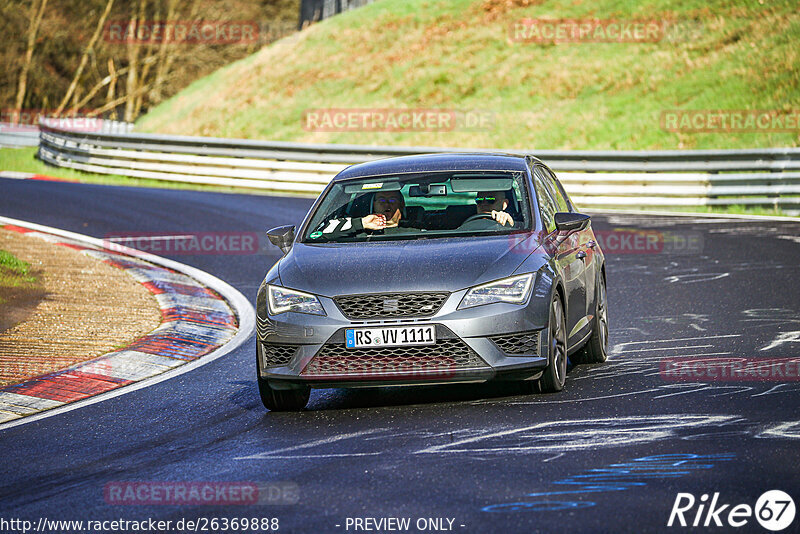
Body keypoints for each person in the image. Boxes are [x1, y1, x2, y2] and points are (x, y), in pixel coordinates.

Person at [317, 190, 407, 238]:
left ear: (402, 204)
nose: (387, 204)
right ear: (374, 204)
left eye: (392, 200)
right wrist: (361, 223)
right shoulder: (359, 232)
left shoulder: (415, 231)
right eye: (381, 200)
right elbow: (319, 234)